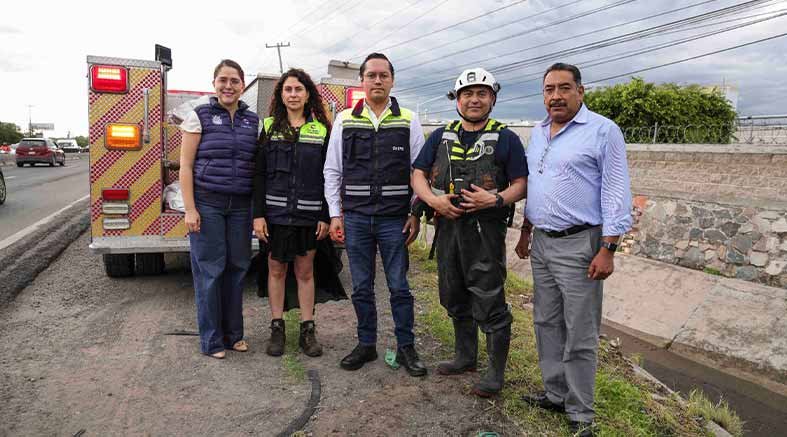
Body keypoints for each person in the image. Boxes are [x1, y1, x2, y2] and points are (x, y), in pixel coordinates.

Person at [515, 63, 632, 437]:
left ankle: (581, 413)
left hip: (582, 244)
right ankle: (555, 393)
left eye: (564, 88)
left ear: (581, 91)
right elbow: (537, 186)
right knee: (546, 322)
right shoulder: (537, 132)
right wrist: (525, 231)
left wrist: (608, 248)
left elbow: (616, 191)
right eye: (549, 89)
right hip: (543, 244)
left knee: (579, 331)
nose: (556, 96)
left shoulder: (602, 131)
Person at [411, 68, 527, 397]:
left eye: (482, 93)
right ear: (457, 100)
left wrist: (496, 198)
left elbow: (521, 183)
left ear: (492, 98)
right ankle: (465, 356)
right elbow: (417, 174)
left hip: (485, 231)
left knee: (489, 298)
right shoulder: (439, 136)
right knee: (453, 293)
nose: (474, 99)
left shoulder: (507, 138)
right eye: (467, 94)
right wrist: (433, 199)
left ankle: (495, 372)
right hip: (447, 228)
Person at [323, 53, 426, 376]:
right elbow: (332, 170)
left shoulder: (408, 119)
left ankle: (406, 347)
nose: (377, 80)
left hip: (395, 219)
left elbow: (419, 172)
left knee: (399, 286)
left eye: (383, 75)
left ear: (392, 80)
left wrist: (415, 213)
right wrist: (336, 215)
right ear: (362, 81)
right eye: (371, 75)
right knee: (362, 286)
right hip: (355, 219)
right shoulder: (344, 119)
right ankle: (366, 344)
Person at [179, 59, 259, 359]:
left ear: (242, 85)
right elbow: (185, 166)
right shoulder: (199, 116)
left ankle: (234, 335)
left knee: (237, 269)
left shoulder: (254, 121)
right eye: (223, 80)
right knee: (210, 272)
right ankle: (212, 340)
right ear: (214, 84)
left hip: (240, 207)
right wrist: (190, 209)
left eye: (234, 81)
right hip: (208, 204)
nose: (228, 86)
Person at [253, 68, 333, 358]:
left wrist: (325, 214)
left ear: (308, 93)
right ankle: (277, 328)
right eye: (288, 89)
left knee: (305, 271)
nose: (294, 94)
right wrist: (258, 215)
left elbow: (330, 176)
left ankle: (307, 330)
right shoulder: (270, 126)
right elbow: (259, 174)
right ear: (281, 95)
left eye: (299, 89)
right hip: (275, 216)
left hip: (309, 216)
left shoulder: (322, 130)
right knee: (276, 269)